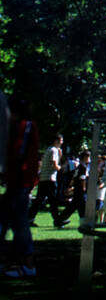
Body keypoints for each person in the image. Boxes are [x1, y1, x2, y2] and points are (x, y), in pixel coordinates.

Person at [1, 97, 41, 277]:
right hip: (18, 181)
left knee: (20, 223)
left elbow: (18, 153)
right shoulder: (24, 127)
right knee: (11, 221)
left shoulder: (24, 127)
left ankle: (27, 263)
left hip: (20, 181)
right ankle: (17, 261)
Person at [29, 133, 63, 226]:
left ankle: (29, 219)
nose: (62, 142)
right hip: (50, 179)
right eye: (61, 141)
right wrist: (61, 168)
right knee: (53, 201)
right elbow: (54, 165)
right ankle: (57, 221)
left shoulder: (49, 149)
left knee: (39, 200)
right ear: (56, 141)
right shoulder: (54, 150)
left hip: (44, 178)